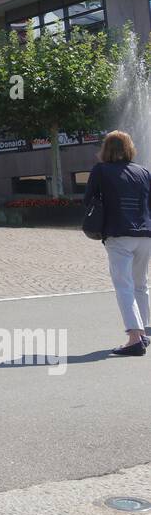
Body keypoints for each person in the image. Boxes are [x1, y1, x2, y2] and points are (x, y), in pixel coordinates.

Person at [84, 130, 151, 357]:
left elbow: (88, 200)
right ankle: (144, 334)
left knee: (124, 286)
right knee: (141, 284)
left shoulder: (101, 170)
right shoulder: (143, 171)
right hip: (145, 235)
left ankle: (134, 338)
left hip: (118, 234)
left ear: (106, 149)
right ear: (130, 148)